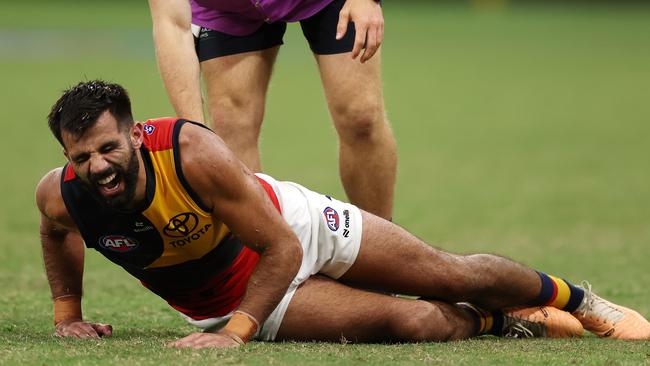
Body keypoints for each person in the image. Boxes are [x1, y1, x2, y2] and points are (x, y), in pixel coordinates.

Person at [38, 81, 650, 348]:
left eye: (108, 148)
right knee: (412, 326)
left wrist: (232, 339)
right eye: (82, 156)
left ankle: (581, 303)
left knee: (453, 274)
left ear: (137, 137)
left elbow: (282, 248)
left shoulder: (191, 153)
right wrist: (69, 314)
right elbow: (54, 230)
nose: (98, 167)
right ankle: (512, 325)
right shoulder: (62, 194)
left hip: (293, 227)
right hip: (235, 295)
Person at [147, 0, 397, 220]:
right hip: (231, 8)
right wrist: (195, 132)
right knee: (230, 124)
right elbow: (171, 24)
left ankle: (385, 248)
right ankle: (263, 250)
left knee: (360, 116)